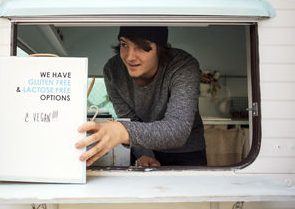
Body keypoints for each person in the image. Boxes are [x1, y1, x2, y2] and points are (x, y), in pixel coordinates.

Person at [75, 26, 206, 167]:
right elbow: (129, 119)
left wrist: (122, 131)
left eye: (142, 47)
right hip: (141, 148)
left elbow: (178, 130)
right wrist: (145, 154)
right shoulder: (113, 71)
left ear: (160, 48)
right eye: (124, 44)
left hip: (186, 151)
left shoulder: (183, 65)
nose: (130, 57)